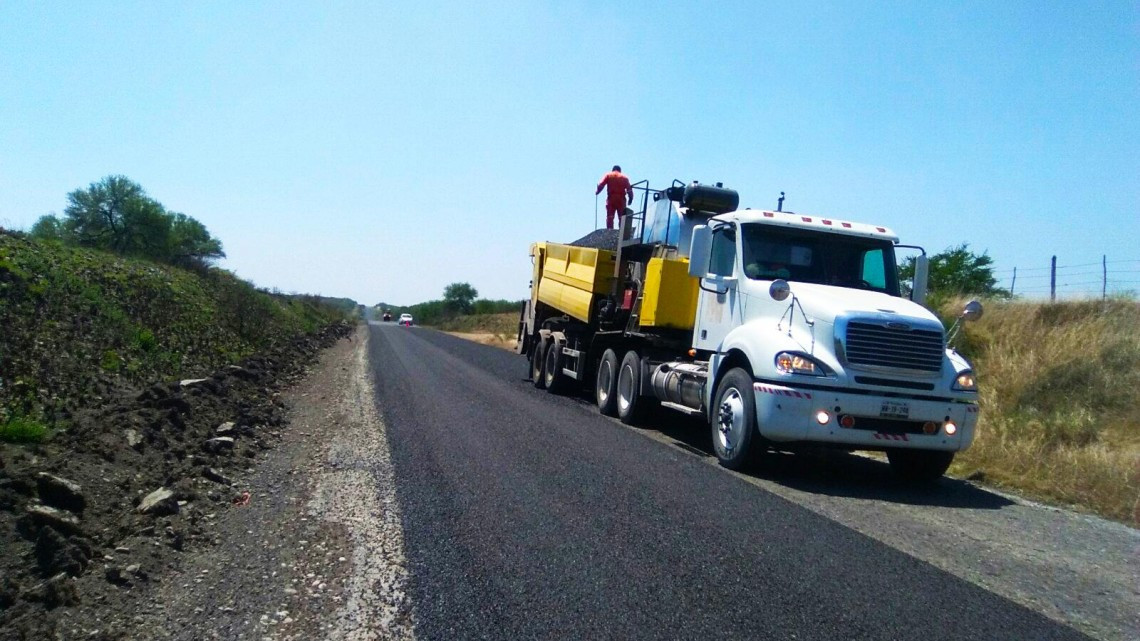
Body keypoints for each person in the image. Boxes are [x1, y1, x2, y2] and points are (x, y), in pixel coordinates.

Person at [596, 165, 634, 230]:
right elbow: (629, 189)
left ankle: (610, 231)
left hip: (611, 198)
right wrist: (630, 198)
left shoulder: (608, 175)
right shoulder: (624, 177)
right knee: (621, 217)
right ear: (620, 170)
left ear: (613, 169)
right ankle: (621, 232)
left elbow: (601, 184)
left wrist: (597, 191)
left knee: (610, 216)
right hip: (621, 199)